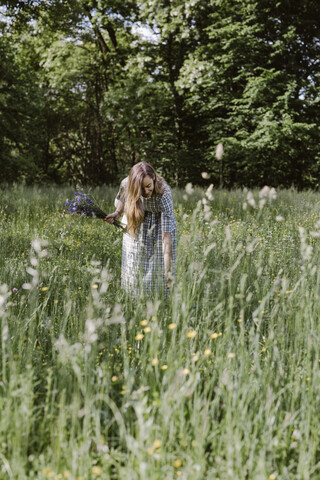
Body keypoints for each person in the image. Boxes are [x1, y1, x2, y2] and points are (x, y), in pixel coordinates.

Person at [105, 162, 177, 296]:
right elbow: (123, 198)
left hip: (159, 224)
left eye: (148, 186)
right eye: (140, 189)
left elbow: (166, 239)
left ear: (154, 178)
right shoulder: (127, 183)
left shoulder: (164, 193)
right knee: (134, 261)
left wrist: (169, 273)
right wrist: (118, 213)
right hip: (138, 219)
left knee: (158, 263)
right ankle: (133, 297)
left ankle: (158, 300)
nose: (145, 192)